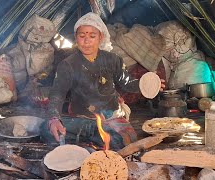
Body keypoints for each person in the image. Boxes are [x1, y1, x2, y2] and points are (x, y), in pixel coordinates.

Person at [40, 12, 165, 150]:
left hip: (111, 120)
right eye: (82, 36)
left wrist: (145, 85)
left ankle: (89, 143)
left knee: (126, 140)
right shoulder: (67, 64)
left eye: (92, 36)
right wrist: (54, 118)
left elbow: (127, 83)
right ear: (76, 37)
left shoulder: (113, 60)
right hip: (81, 119)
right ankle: (94, 141)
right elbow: (58, 93)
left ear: (101, 38)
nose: (86, 41)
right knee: (46, 130)